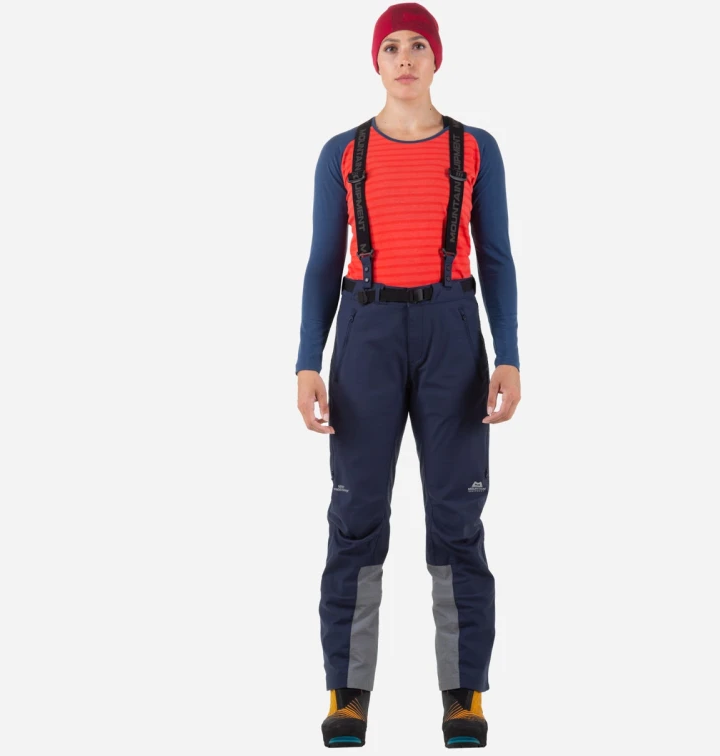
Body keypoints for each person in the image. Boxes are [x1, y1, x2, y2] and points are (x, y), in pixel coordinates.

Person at [293, 3, 522, 749]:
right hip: (365, 335)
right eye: (390, 46)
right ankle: (347, 693)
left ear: (436, 58)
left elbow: (497, 258)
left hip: (452, 333)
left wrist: (509, 353)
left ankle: (464, 696)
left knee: (457, 518)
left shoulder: (475, 148)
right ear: (375, 59)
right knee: (356, 517)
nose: (404, 59)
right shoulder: (343, 153)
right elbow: (322, 262)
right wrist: (306, 360)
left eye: (417, 45)